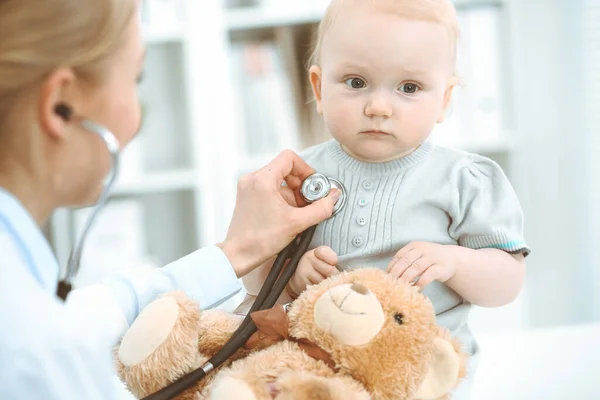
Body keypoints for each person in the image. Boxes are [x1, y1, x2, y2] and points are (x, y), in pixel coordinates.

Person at [0, 0, 339, 398]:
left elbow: (90, 313)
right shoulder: (29, 344)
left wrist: (235, 251)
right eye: (136, 78)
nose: (139, 116)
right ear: (62, 107)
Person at [239, 0, 530, 397]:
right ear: (319, 88)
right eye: (356, 82)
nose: (378, 107)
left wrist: (454, 261)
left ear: (444, 99)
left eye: (409, 88)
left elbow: (508, 282)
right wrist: (292, 275)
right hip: (323, 368)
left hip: (424, 373)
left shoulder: (464, 179)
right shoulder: (296, 176)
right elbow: (253, 272)